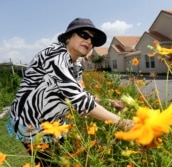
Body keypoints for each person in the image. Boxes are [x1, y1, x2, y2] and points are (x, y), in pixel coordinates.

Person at [6, 17, 133, 166]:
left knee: (66, 158)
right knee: (52, 163)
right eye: (84, 35)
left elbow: (79, 93)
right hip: (31, 124)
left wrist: (109, 102)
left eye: (93, 40)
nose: (89, 41)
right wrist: (122, 122)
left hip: (55, 123)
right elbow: (80, 101)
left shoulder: (76, 64)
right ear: (68, 37)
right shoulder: (54, 55)